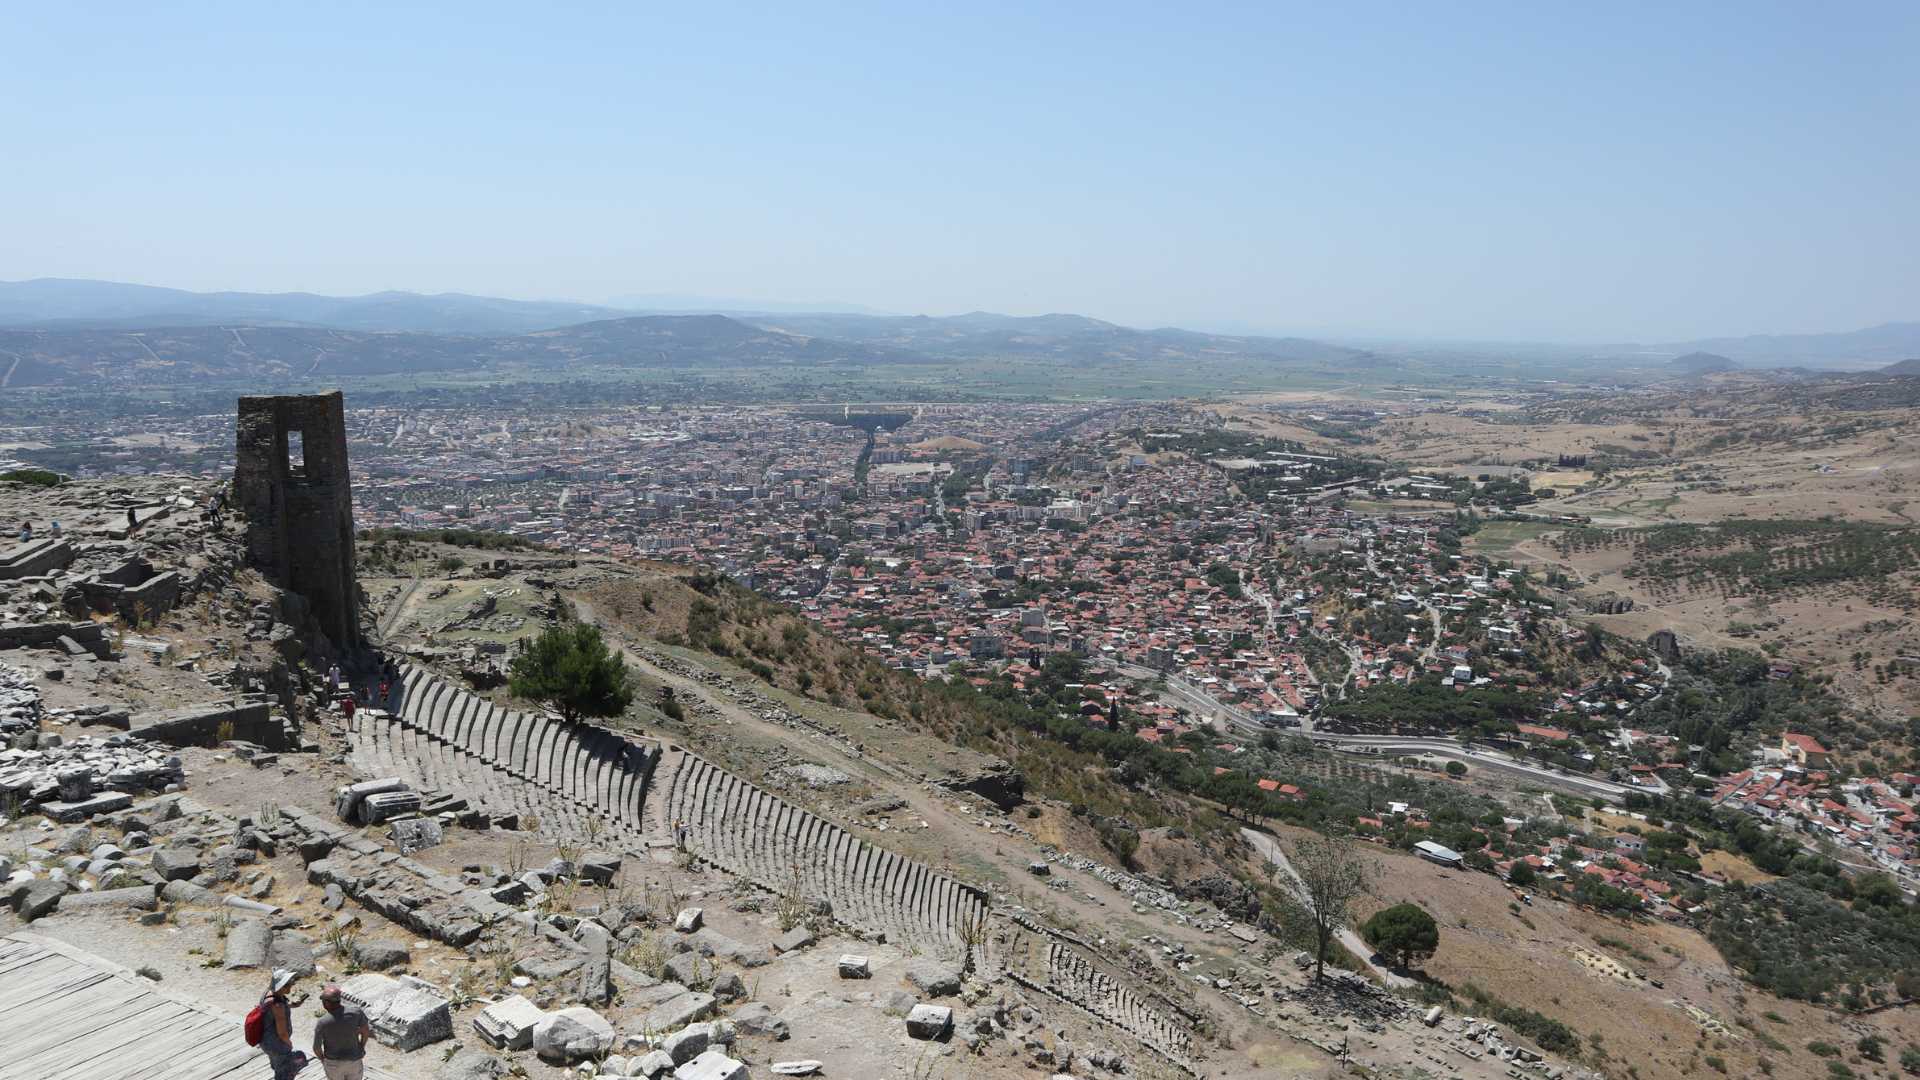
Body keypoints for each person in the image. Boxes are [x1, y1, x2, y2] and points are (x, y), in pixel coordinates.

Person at [311, 983, 372, 1080]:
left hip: (333, 1064)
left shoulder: (323, 1022)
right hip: (354, 1060)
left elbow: (316, 1048)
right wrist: (361, 1046)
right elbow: (365, 1031)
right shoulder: (356, 1012)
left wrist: (323, 1060)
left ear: (326, 1003)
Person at [259, 969, 304, 1079]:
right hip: (277, 1044)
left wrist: (291, 1005)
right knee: (285, 1073)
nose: (291, 985)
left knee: (279, 1067)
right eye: (288, 984)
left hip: (266, 1040)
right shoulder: (277, 1005)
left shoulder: (268, 994)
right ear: (281, 986)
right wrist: (289, 1044)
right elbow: (282, 1032)